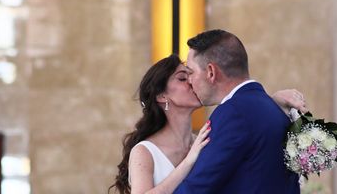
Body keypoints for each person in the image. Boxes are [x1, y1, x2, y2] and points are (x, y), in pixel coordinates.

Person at [109, 54, 306, 194]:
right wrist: (188, 162)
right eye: (182, 78)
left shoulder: (207, 138)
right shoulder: (144, 151)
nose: (192, 82)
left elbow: (241, 120)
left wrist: (271, 101)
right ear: (162, 96)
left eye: (191, 76)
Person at [174, 29, 302, 193]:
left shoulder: (233, 113)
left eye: (191, 72)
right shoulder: (273, 109)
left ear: (211, 72)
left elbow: (198, 186)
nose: (189, 81)